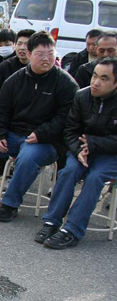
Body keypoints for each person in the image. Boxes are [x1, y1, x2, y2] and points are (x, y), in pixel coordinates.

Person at [0, 31, 79, 222]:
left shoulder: (65, 83)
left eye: (50, 54)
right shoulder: (16, 79)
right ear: (30, 54)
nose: (46, 59)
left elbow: (66, 118)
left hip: (45, 141)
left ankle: (10, 204)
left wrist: (42, 134)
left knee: (27, 157)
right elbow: (0, 109)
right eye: (41, 54)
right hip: (12, 134)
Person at [35, 57, 117, 249]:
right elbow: (70, 130)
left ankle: (72, 230)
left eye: (104, 79)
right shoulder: (82, 96)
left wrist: (94, 144)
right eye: (95, 76)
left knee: (95, 178)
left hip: (110, 155)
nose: (96, 82)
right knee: (68, 171)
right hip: (82, 148)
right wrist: (79, 150)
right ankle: (51, 222)